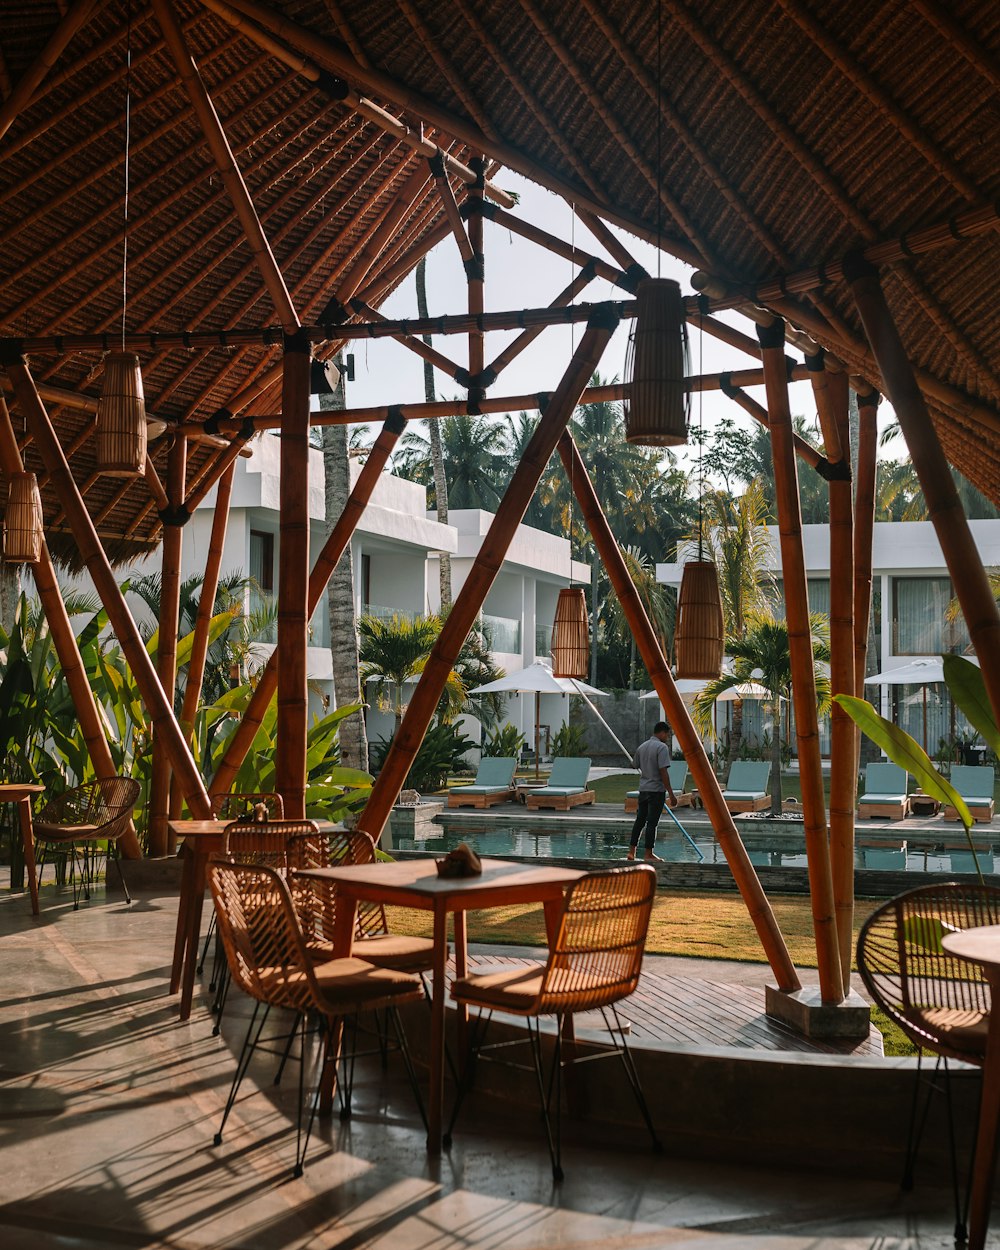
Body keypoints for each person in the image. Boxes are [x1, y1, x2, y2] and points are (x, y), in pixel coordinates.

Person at [627, 721, 677, 863]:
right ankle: (648, 853)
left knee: (640, 821)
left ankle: (632, 851)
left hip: (643, 789)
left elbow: (634, 765)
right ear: (662, 732)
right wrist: (671, 794)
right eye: (667, 734)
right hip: (656, 790)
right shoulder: (661, 747)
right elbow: (663, 772)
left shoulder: (642, 747)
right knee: (652, 823)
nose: (667, 737)